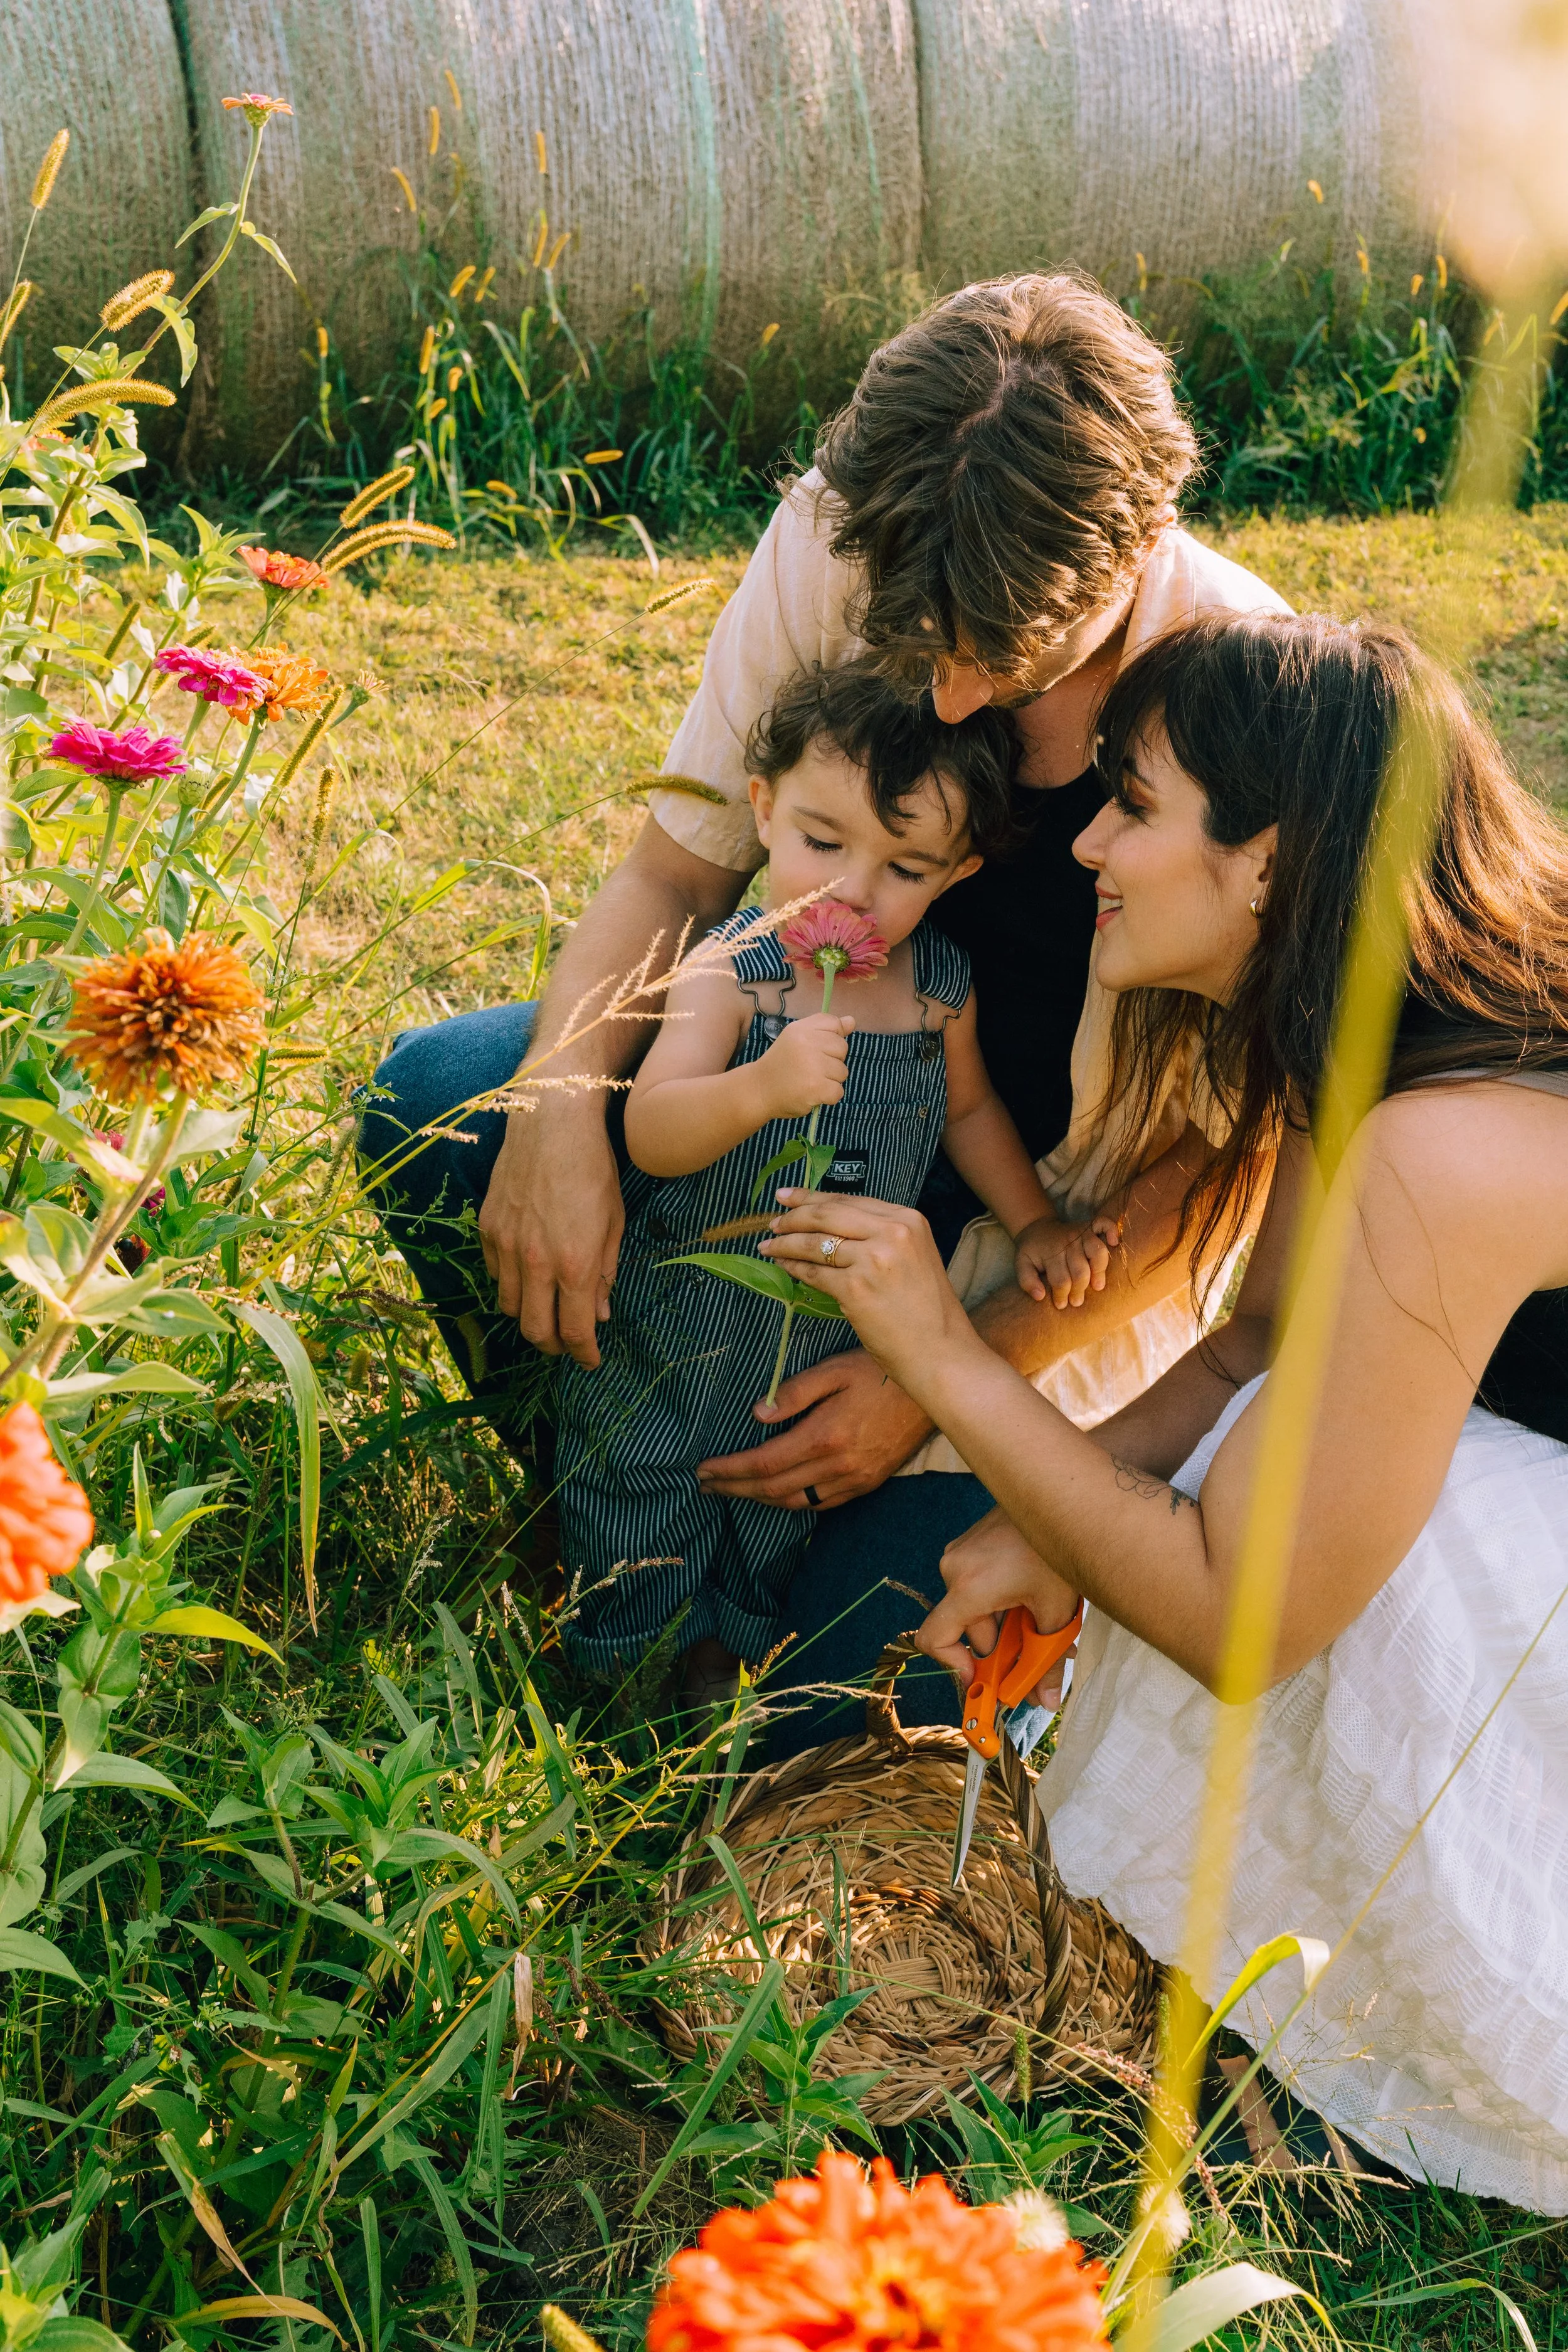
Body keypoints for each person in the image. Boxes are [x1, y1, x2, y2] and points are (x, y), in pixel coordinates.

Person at [360, 272, 1285, 1719]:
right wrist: (555, 1117)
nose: (958, 701)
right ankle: (611, 1496)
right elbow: (672, 875)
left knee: (828, 1710)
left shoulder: (1254, 684)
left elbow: (1233, 1148)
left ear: (1139, 541)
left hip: (1021, 1238)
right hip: (757, 1122)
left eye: (1006, 655)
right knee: (438, 1106)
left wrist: (943, 1371)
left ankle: (751, 1549)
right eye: (923, 646)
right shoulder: (841, 534)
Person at [758, 610, 1568, 2208]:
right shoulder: (1367, 1027)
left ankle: (1422, 2026)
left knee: (1391, 1519)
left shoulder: (1452, 1144)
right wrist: (1039, 1520)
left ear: (1267, 860)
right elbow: (1247, 1337)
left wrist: (943, 1360)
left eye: (1131, 806)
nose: (1088, 848)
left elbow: (1238, 1616)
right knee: (1268, 1444)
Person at [556, 662, 1096, 1694]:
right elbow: (654, 1127)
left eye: (906, 866)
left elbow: (969, 1113)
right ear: (763, 809)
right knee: (634, 1512)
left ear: (958, 873)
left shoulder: (936, 990)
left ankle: (715, 1696)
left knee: (768, 1546)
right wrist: (759, 1087)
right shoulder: (734, 972)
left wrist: (1033, 1222)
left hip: (818, 1350)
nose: (852, 889)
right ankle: (611, 1704)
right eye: (822, 841)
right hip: (681, 1332)